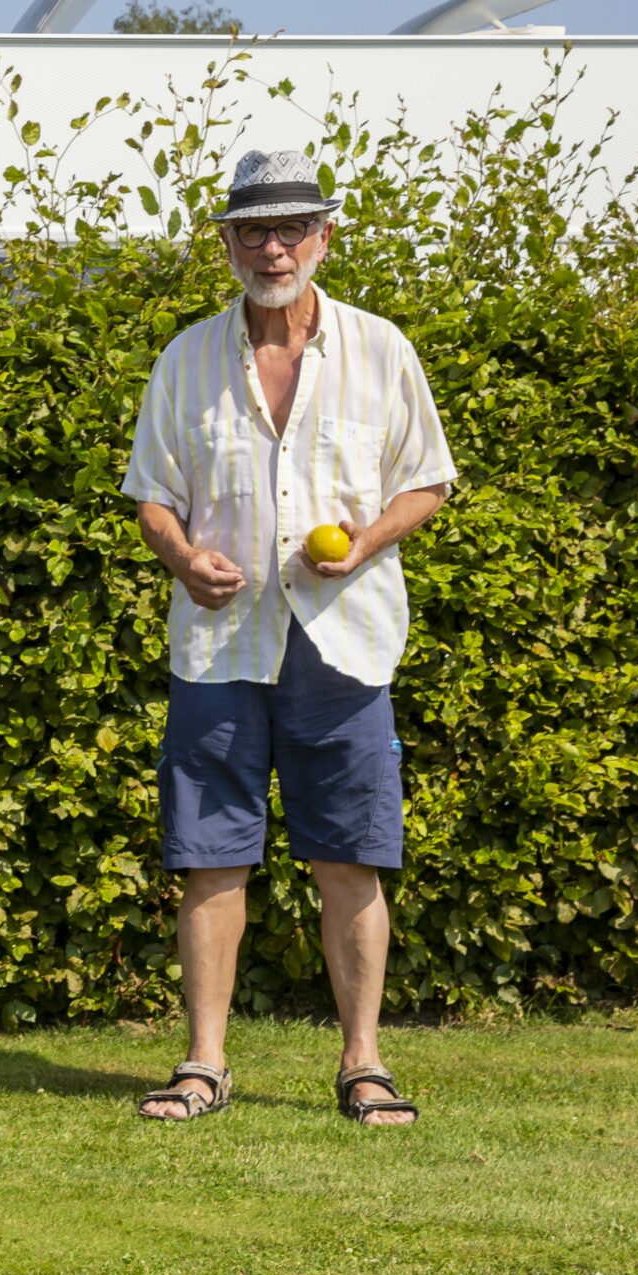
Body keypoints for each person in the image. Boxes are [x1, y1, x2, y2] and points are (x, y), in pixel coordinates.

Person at [122, 149, 455, 1126]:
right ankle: (203, 1065)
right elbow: (151, 495)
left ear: (324, 236)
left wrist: (366, 543)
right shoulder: (185, 360)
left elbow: (427, 480)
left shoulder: (381, 350)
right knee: (209, 855)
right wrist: (184, 559)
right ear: (227, 243)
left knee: (349, 854)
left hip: (344, 640)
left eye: (291, 229)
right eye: (253, 231)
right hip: (219, 643)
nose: (273, 248)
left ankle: (363, 1064)